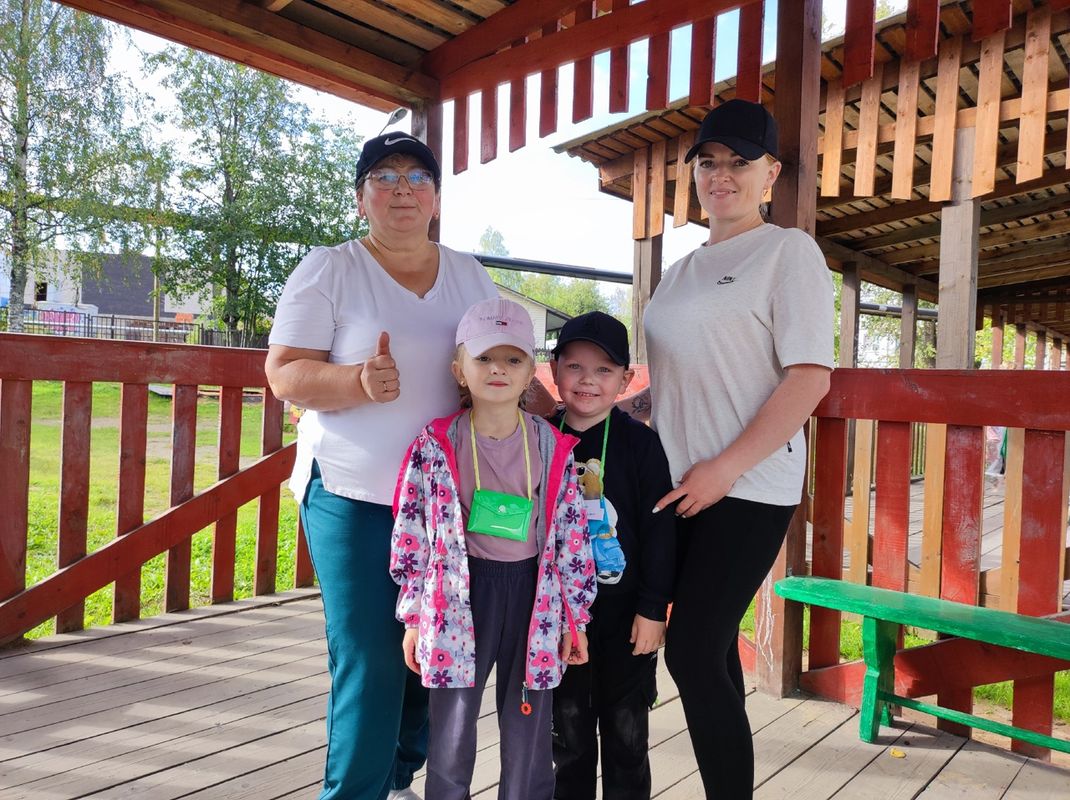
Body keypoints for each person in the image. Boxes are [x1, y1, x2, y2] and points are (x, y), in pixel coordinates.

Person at [265, 132, 502, 800]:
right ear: (360, 197)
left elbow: (503, 364)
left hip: (447, 503)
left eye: (418, 177)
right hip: (351, 494)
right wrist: (357, 382)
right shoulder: (330, 269)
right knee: (370, 658)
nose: (402, 188)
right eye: (384, 176)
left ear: (436, 199)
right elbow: (283, 373)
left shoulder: (469, 275)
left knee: (434, 652)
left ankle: (398, 773)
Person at [627, 99, 835, 798]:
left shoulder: (788, 252)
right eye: (708, 162)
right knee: (706, 651)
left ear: (770, 174)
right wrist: (606, 412)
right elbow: (674, 382)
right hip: (678, 484)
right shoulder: (681, 270)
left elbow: (809, 378)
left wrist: (724, 468)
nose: (722, 175)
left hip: (748, 486)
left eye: (740, 163)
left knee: (690, 650)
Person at [389, 297, 596, 800]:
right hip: (458, 597)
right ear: (459, 369)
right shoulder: (436, 444)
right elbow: (413, 533)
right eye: (483, 358)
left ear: (530, 375)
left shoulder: (552, 447)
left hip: (534, 597)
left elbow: (571, 537)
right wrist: (414, 617)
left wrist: (575, 618)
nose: (498, 369)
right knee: (453, 725)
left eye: (513, 358)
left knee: (528, 722)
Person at [548, 312, 675, 800]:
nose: (588, 380)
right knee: (569, 738)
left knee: (627, 740)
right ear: (554, 369)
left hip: (625, 618)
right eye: (575, 366)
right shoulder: (538, 438)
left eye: (604, 369)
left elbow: (660, 531)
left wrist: (653, 608)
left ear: (626, 379)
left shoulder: (642, 445)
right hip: (559, 620)